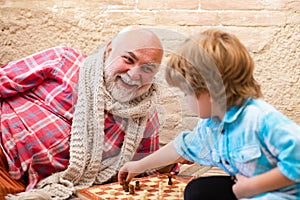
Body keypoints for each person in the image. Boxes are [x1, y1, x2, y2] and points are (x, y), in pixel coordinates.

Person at [118, 29, 300, 199]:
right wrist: (139, 165)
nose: (186, 100)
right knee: (197, 190)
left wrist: (249, 187)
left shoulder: (260, 119)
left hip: (280, 194)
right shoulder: (212, 124)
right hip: (245, 188)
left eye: (187, 93)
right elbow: (181, 147)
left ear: (211, 92)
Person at [0, 26, 176, 200]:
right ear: (109, 51)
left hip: (42, 187)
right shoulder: (63, 60)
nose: (134, 74)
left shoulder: (145, 116)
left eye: (147, 69)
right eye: (128, 59)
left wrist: (177, 151)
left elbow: (146, 173)